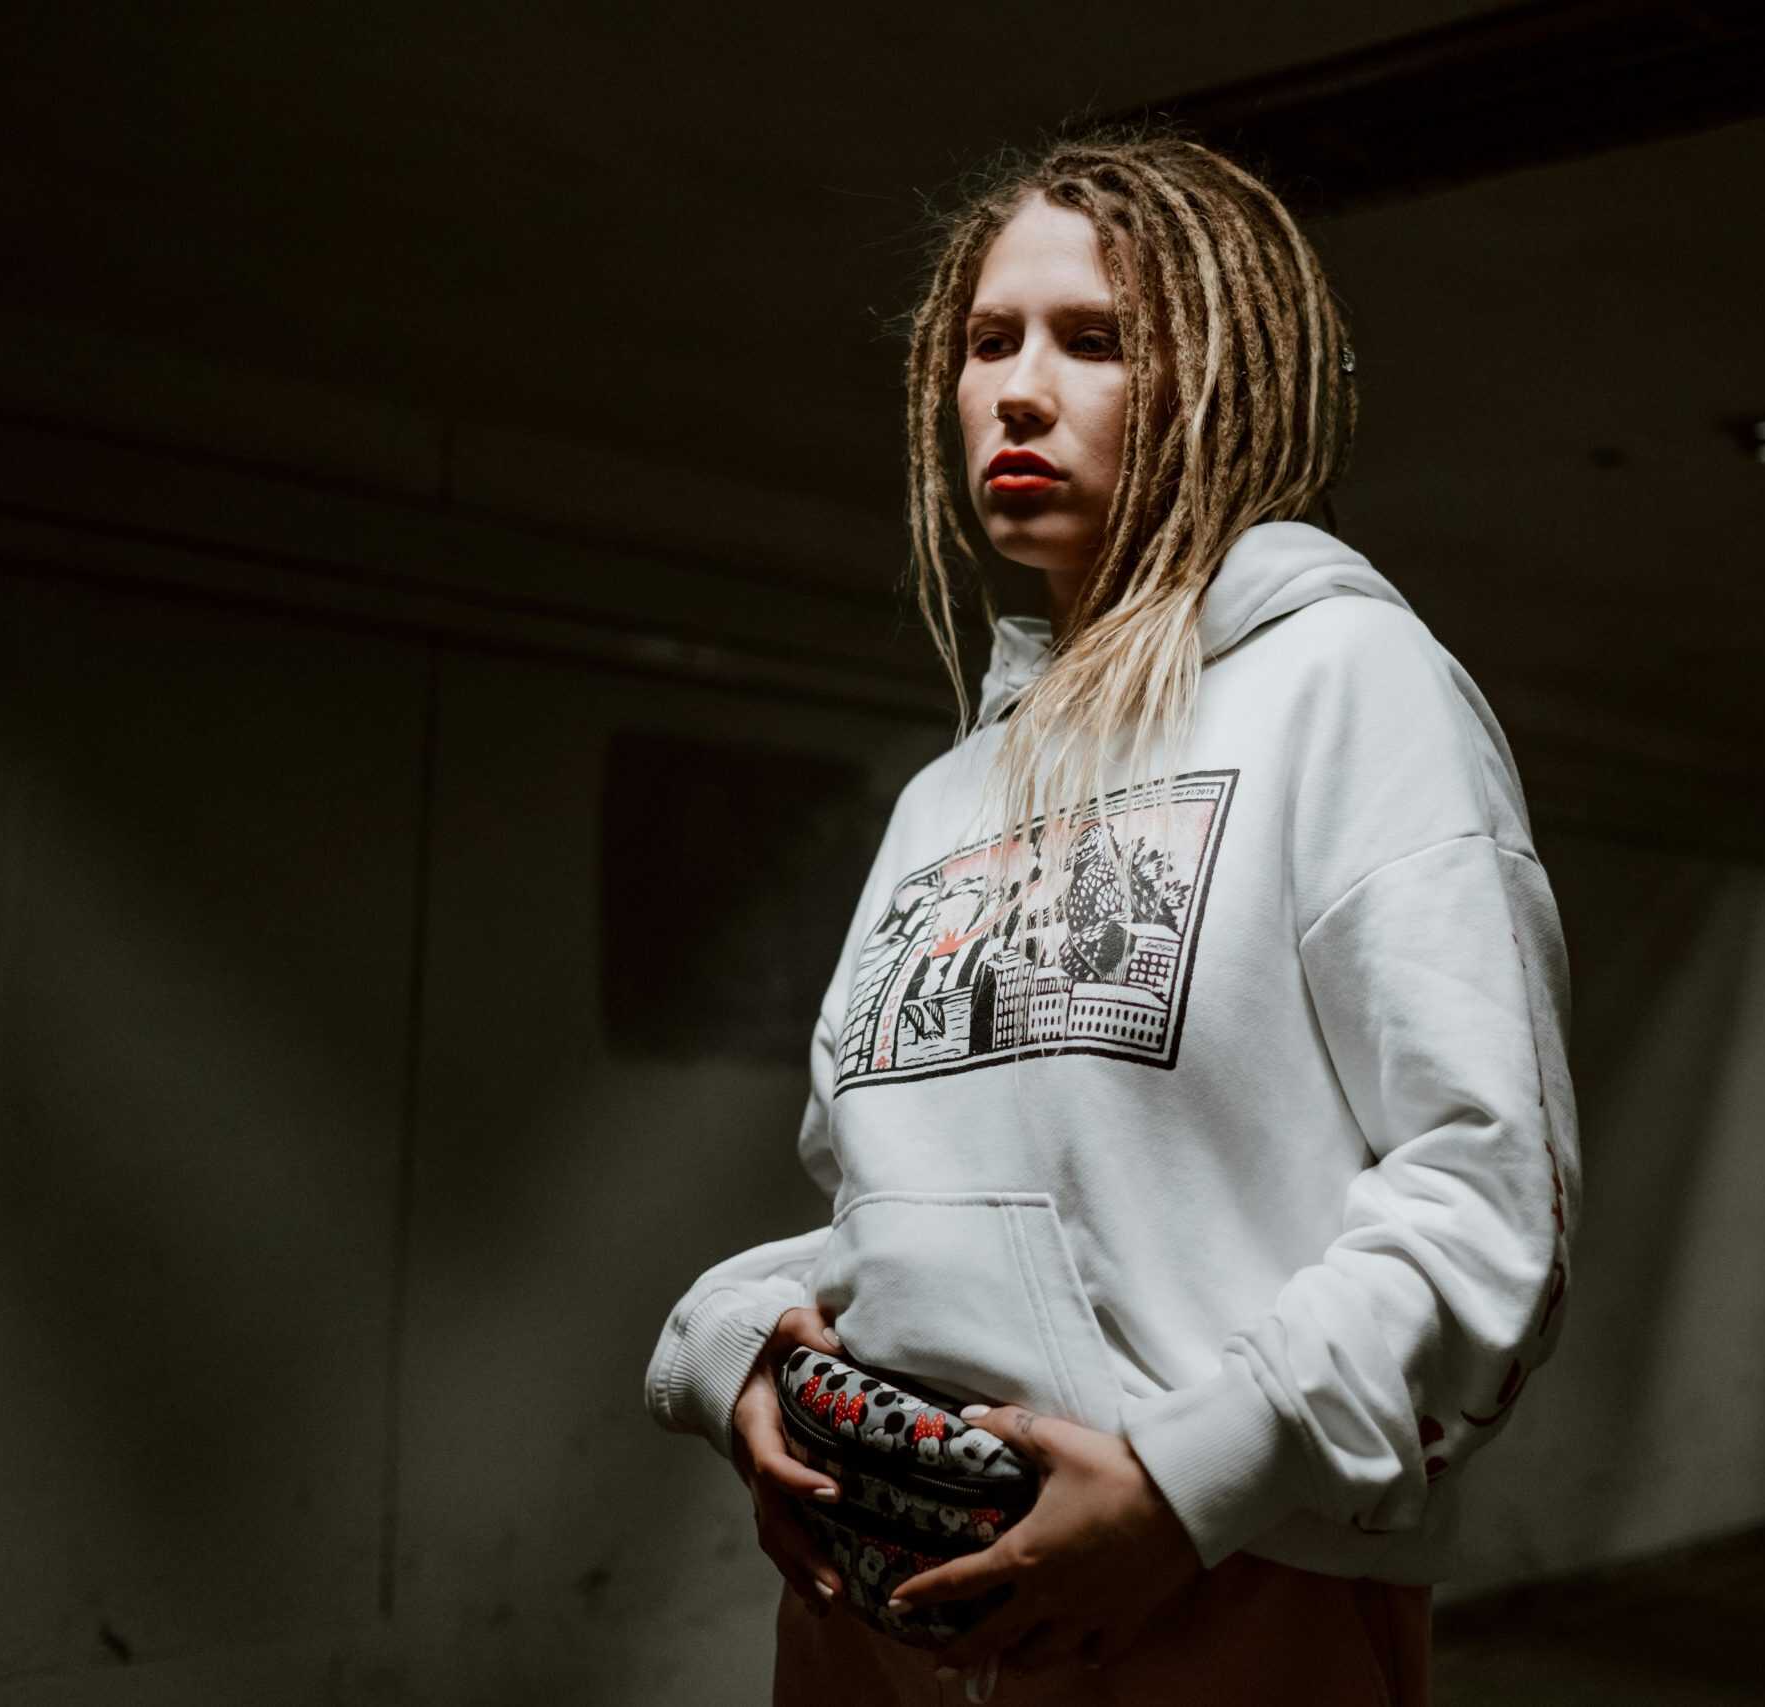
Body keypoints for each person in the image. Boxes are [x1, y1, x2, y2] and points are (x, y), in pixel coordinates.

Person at [643, 121, 1579, 1706]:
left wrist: (1182, 1479)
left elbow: (1485, 1199)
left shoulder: (1352, 688)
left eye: (1093, 343)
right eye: (989, 341)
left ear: (1227, 383)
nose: (1019, 389)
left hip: (1208, 1603)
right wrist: (733, 1341)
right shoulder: (949, 796)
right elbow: (891, 1211)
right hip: (873, 1610)